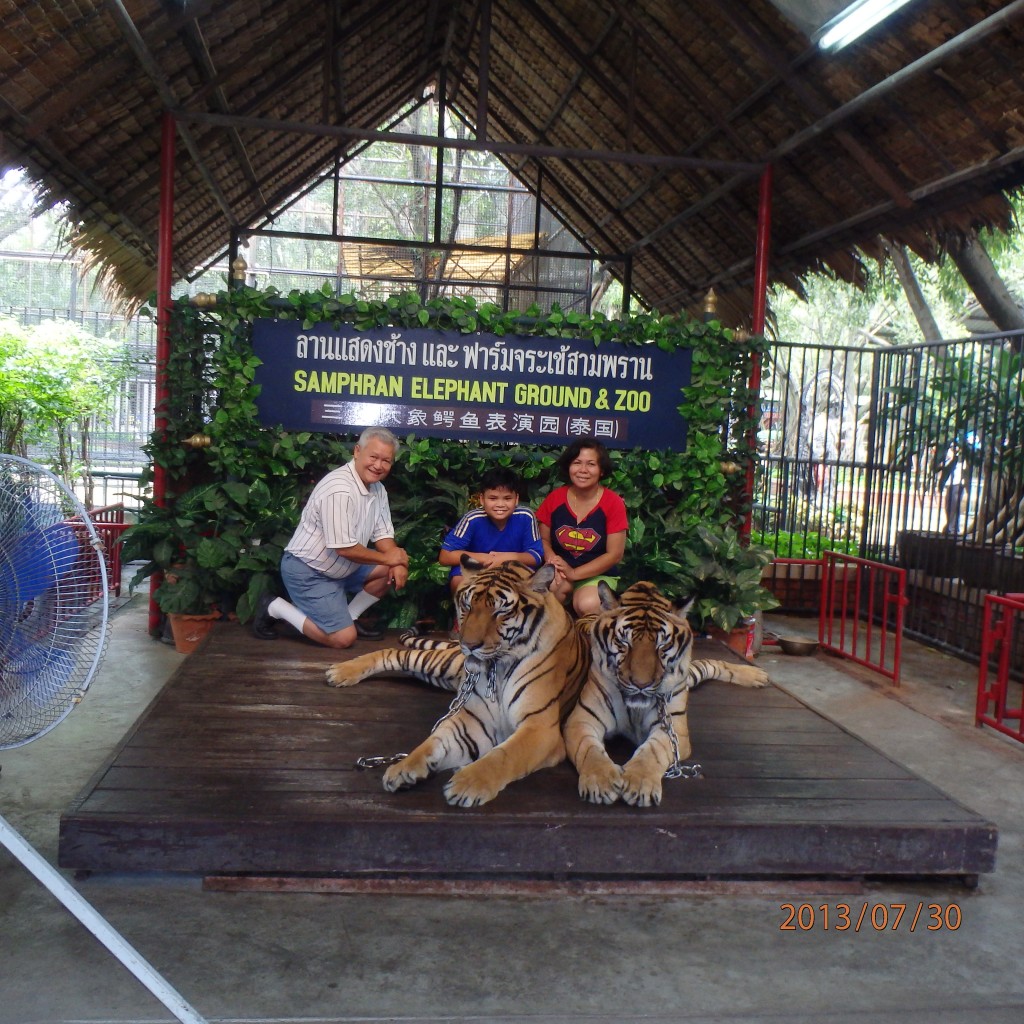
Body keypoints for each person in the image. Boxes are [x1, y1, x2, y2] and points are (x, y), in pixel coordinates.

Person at [251, 426, 409, 648]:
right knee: (343, 640)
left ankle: (350, 618)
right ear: (357, 452)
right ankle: (275, 606)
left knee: (388, 571)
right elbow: (343, 548)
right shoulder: (339, 489)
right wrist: (391, 559)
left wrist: (397, 560)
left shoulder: (378, 489)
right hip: (309, 572)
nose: (378, 465)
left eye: (386, 461)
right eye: (373, 457)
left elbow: (383, 535)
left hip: (344, 568)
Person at [535, 437, 628, 616]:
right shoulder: (555, 498)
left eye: (591, 464)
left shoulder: (613, 503)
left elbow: (614, 555)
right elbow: (543, 539)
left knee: (588, 603)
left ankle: (587, 639)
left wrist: (575, 573)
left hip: (598, 574)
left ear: (601, 470)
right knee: (549, 589)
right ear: (569, 466)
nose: (583, 470)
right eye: (577, 463)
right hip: (561, 570)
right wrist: (553, 559)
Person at [438, 467, 544, 597]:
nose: (500, 504)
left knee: (532, 585)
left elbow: (536, 556)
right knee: (458, 581)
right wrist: (486, 559)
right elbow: (445, 556)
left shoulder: (526, 516)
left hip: (514, 570)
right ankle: (465, 615)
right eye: (493, 498)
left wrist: (505, 558)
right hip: (477, 569)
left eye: (507, 498)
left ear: (516, 499)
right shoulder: (472, 519)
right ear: (482, 499)